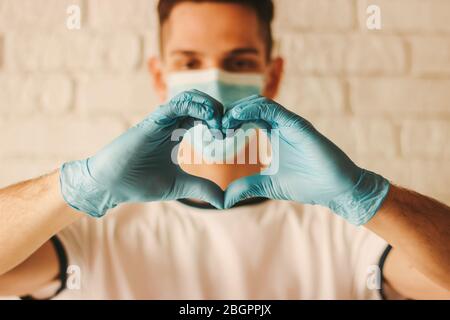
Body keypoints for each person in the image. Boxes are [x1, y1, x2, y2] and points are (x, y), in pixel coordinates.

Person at [0, 0, 449, 300]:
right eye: (189, 62)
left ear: (271, 76)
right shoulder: (92, 230)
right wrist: (74, 188)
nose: (212, 79)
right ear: (160, 77)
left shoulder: (349, 232)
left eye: (238, 62)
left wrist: (369, 197)